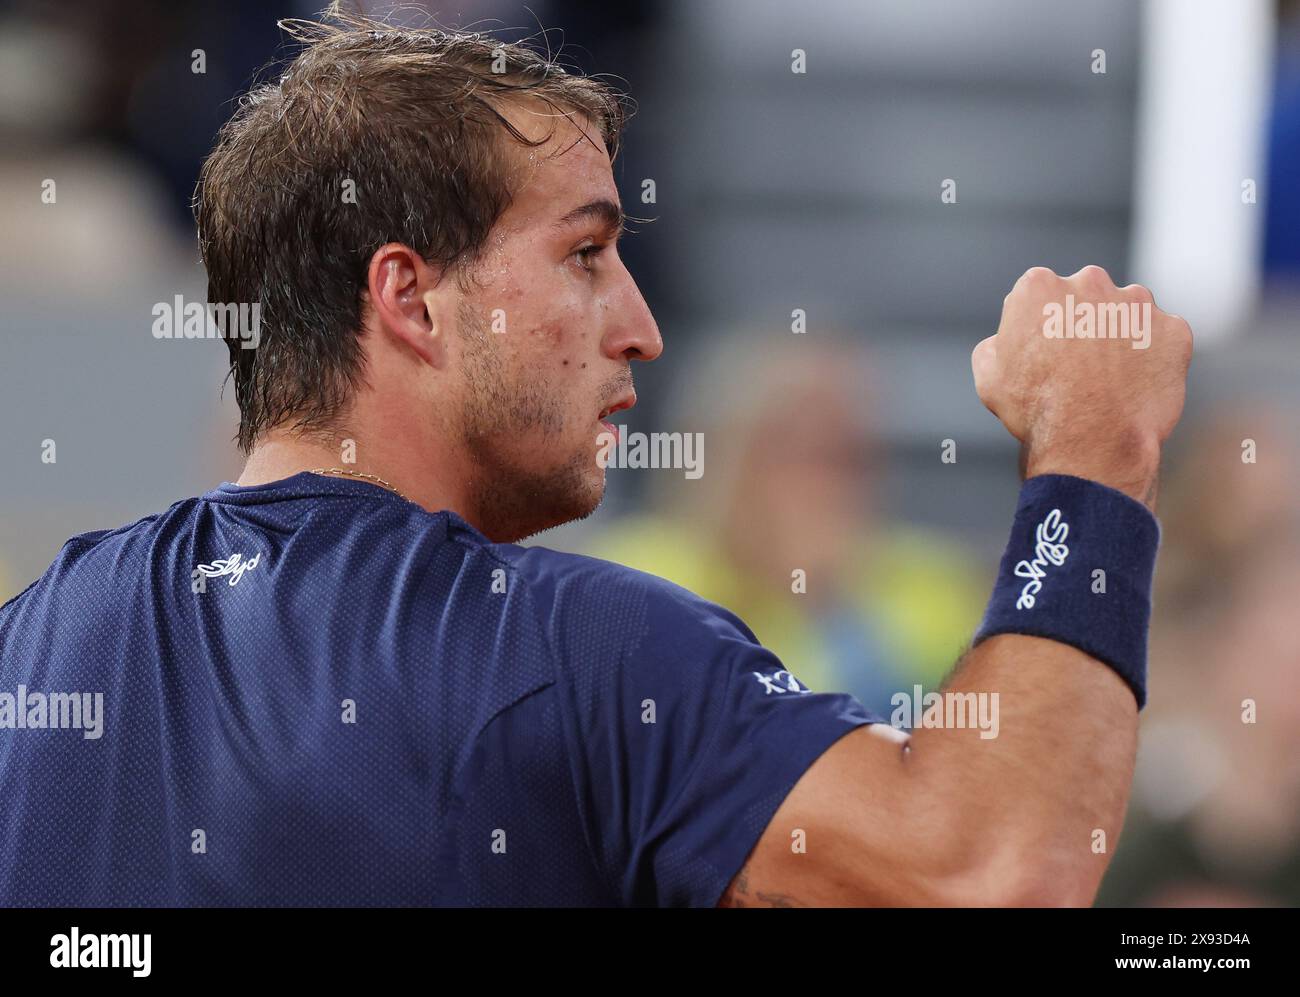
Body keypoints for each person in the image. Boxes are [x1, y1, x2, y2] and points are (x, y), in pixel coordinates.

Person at [0, 16, 1192, 906]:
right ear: (410, 299)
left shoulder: (29, 646)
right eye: (585, 253)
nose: (639, 324)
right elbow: (988, 868)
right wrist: (1094, 453)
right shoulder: (578, 650)